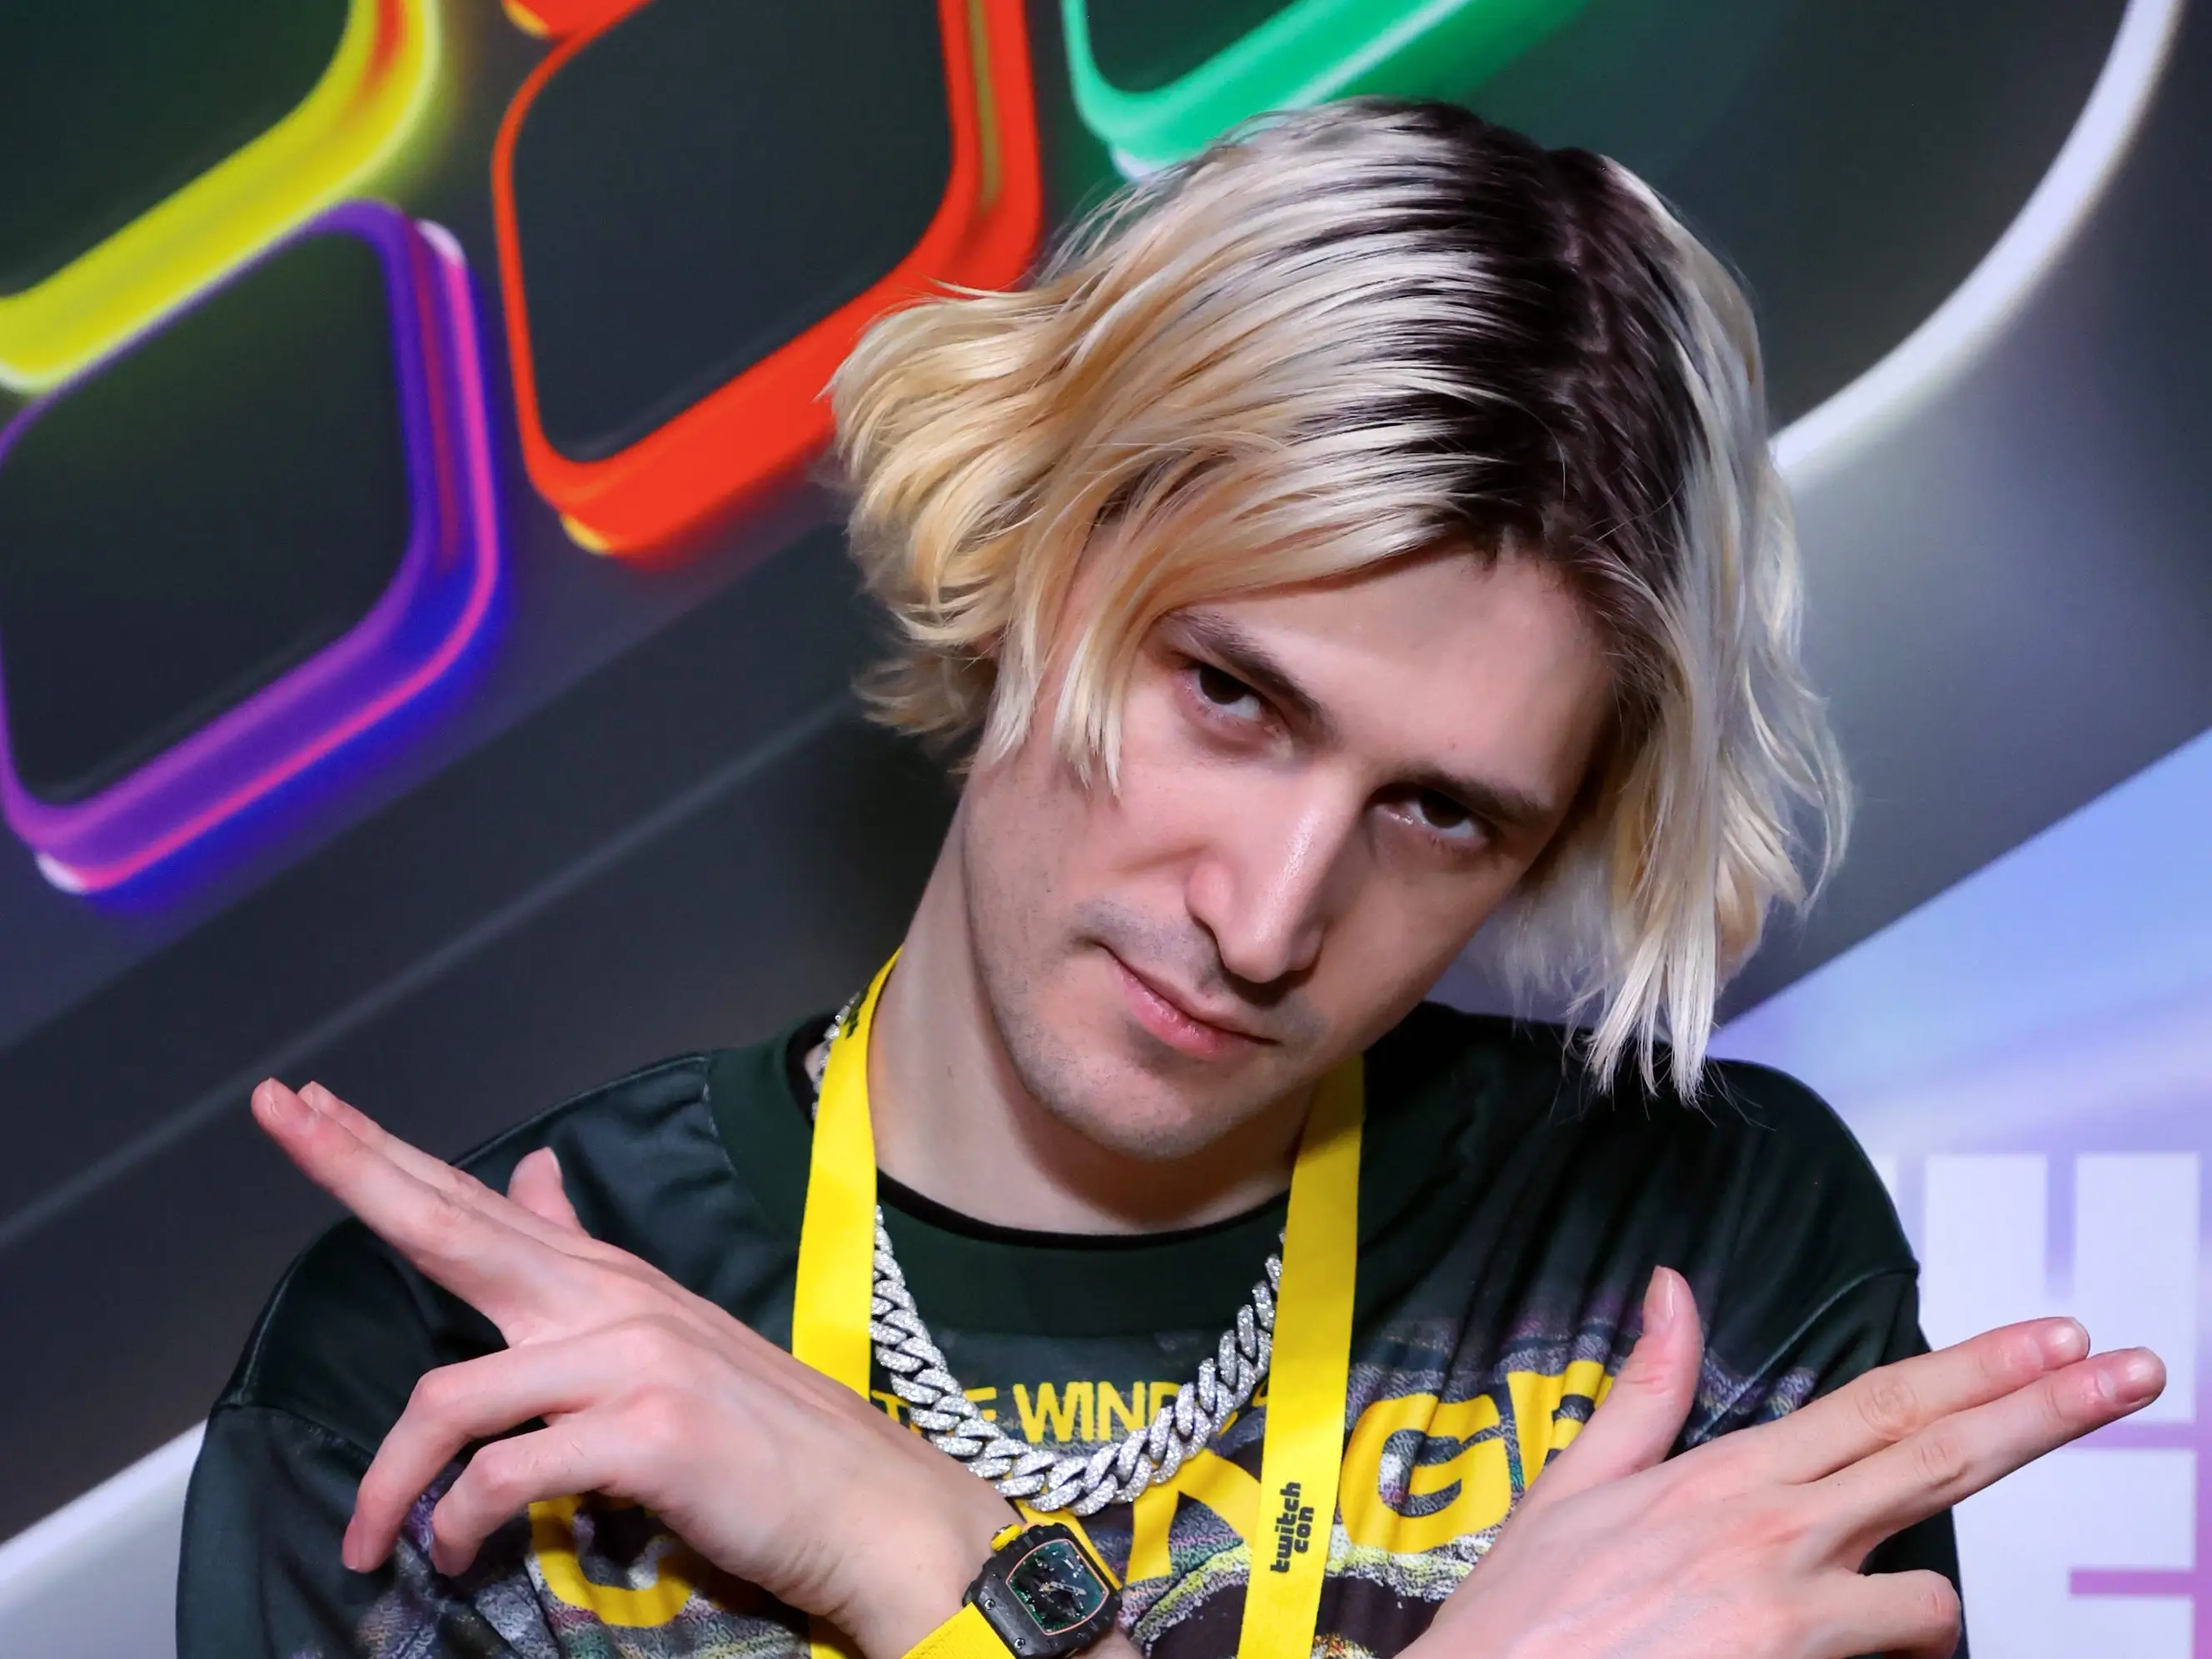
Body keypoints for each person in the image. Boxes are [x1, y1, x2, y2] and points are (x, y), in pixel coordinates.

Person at [178, 101, 2161, 1659]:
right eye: (1230, 694)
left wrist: (936, 1564)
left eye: (1442, 813)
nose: (1272, 911)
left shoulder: (1684, 1267)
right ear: (1037, 543)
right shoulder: (481, 1362)